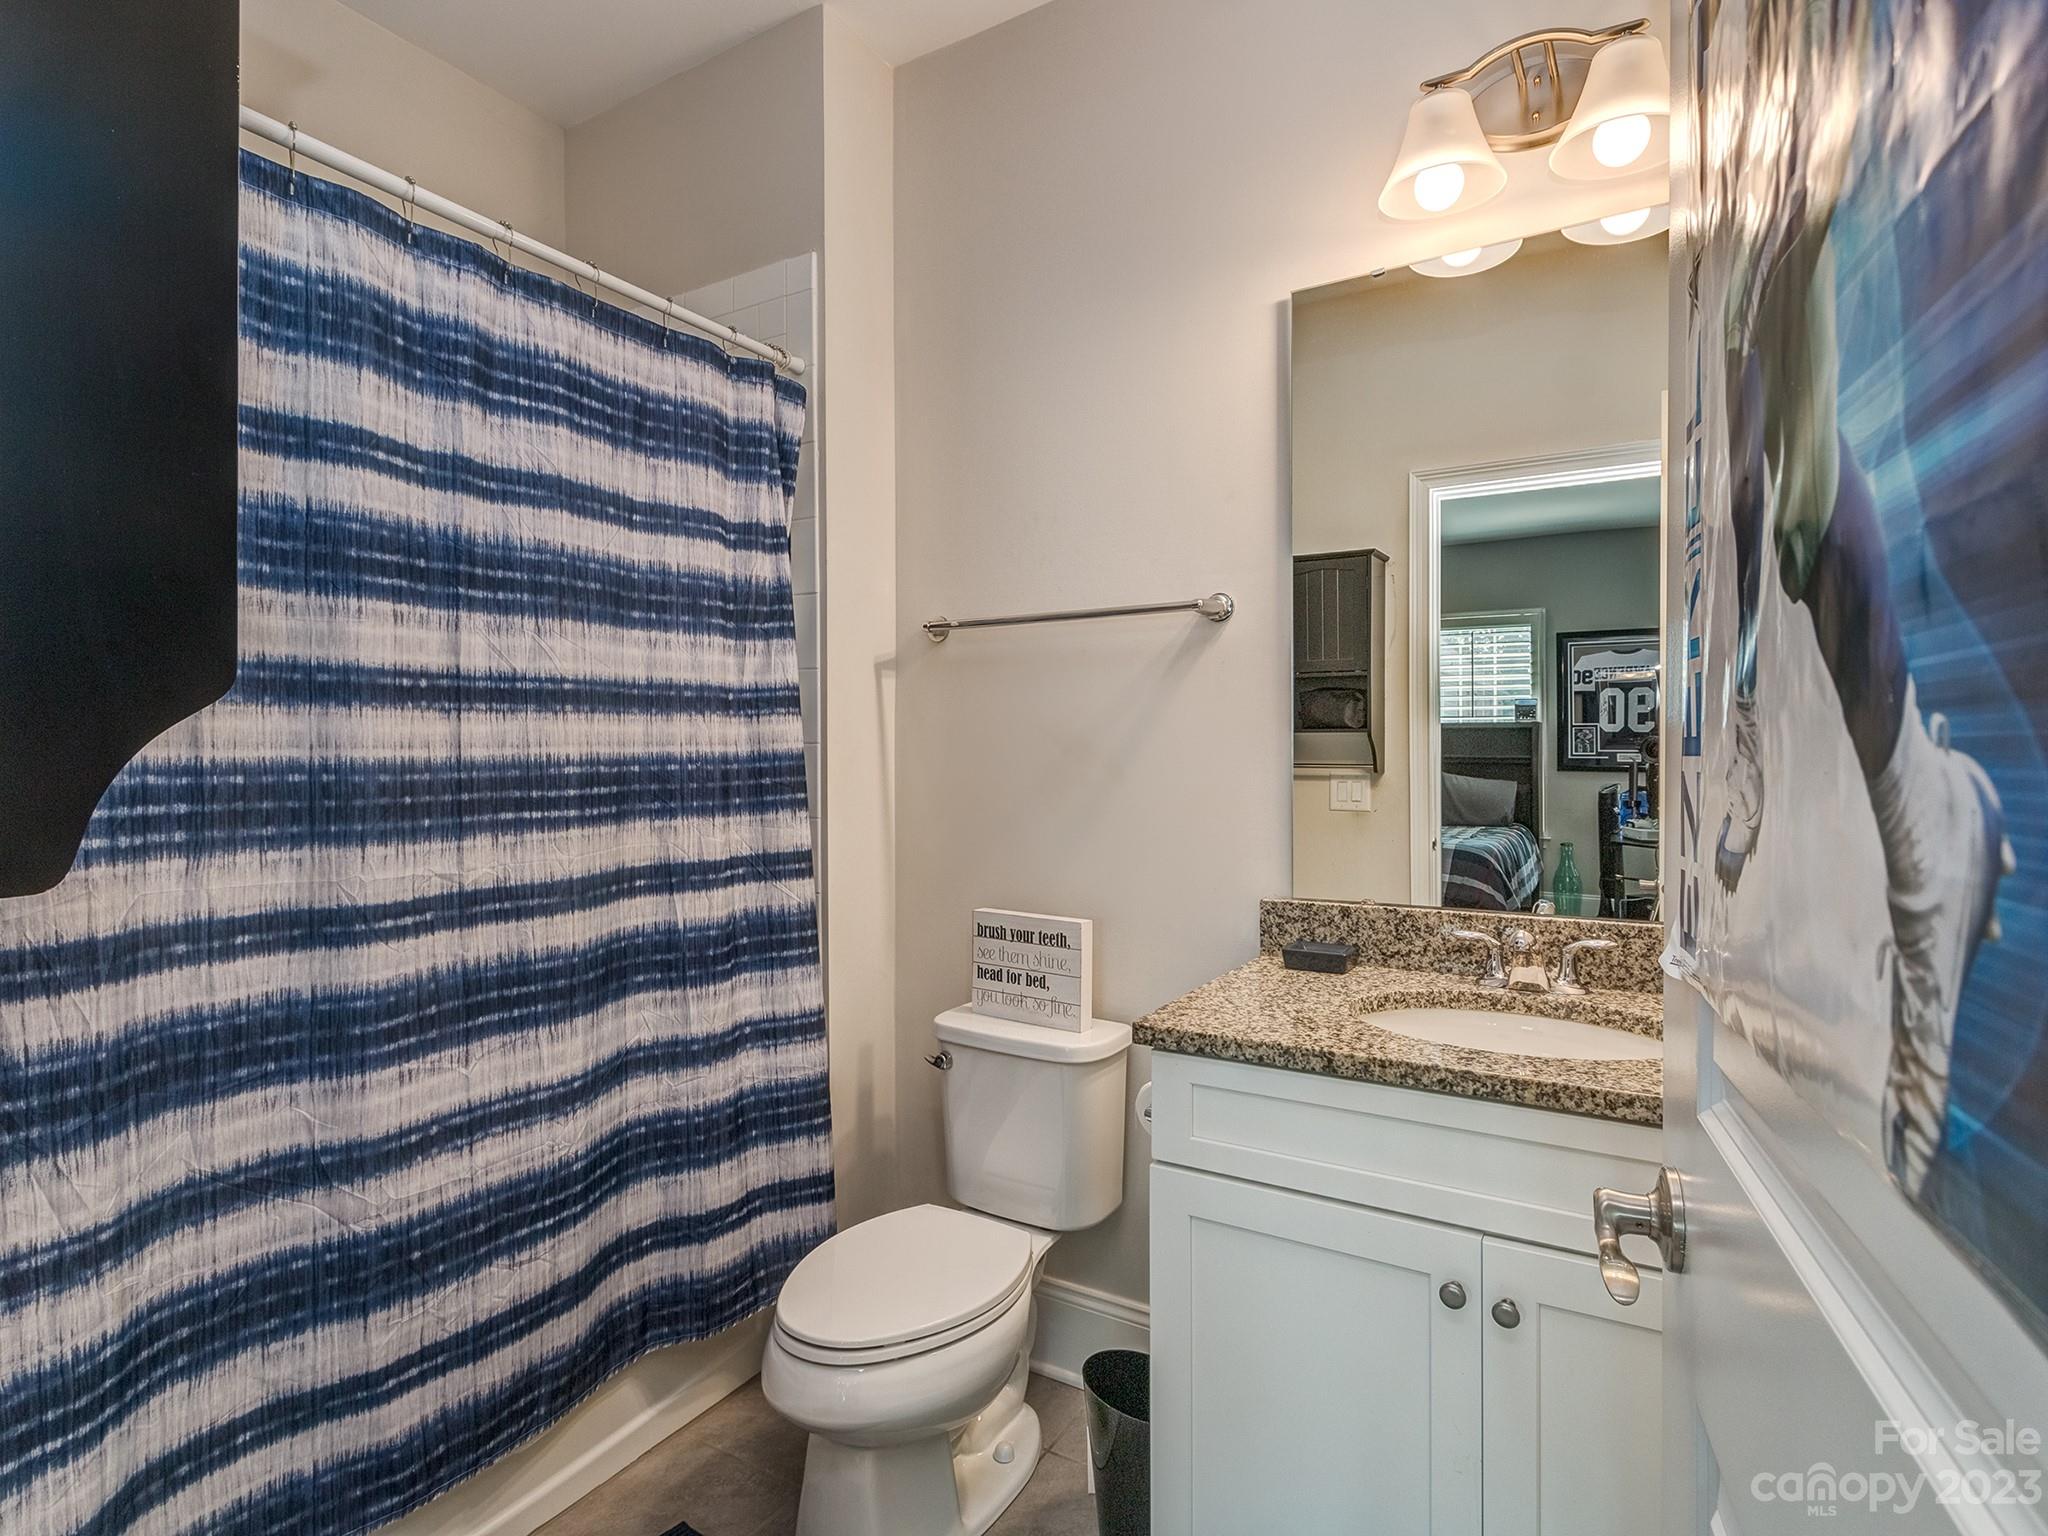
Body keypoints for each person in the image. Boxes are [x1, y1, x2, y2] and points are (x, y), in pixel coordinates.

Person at [1707, 0, 2018, 1195]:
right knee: (1749, 461)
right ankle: (1814, 768)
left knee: (1791, 487)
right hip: (1781, 132)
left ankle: (1922, 826)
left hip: (1813, 131)